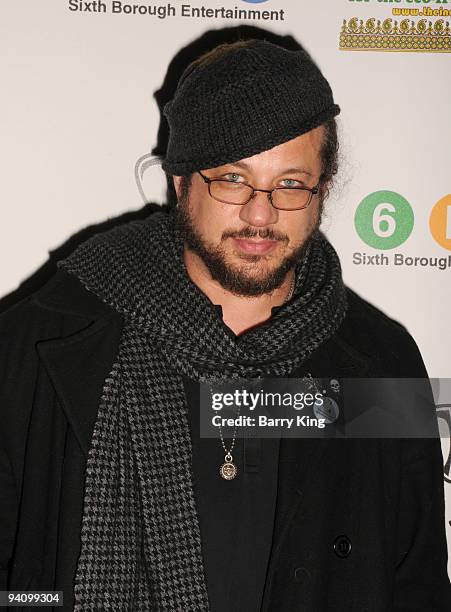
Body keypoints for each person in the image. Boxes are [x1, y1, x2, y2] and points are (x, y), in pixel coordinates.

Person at [0, 39, 450, 612]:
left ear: (323, 191)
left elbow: (416, 586)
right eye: (232, 179)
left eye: (290, 183)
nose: (260, 214)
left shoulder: (383, 362)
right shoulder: (38, 345)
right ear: (181, 181)